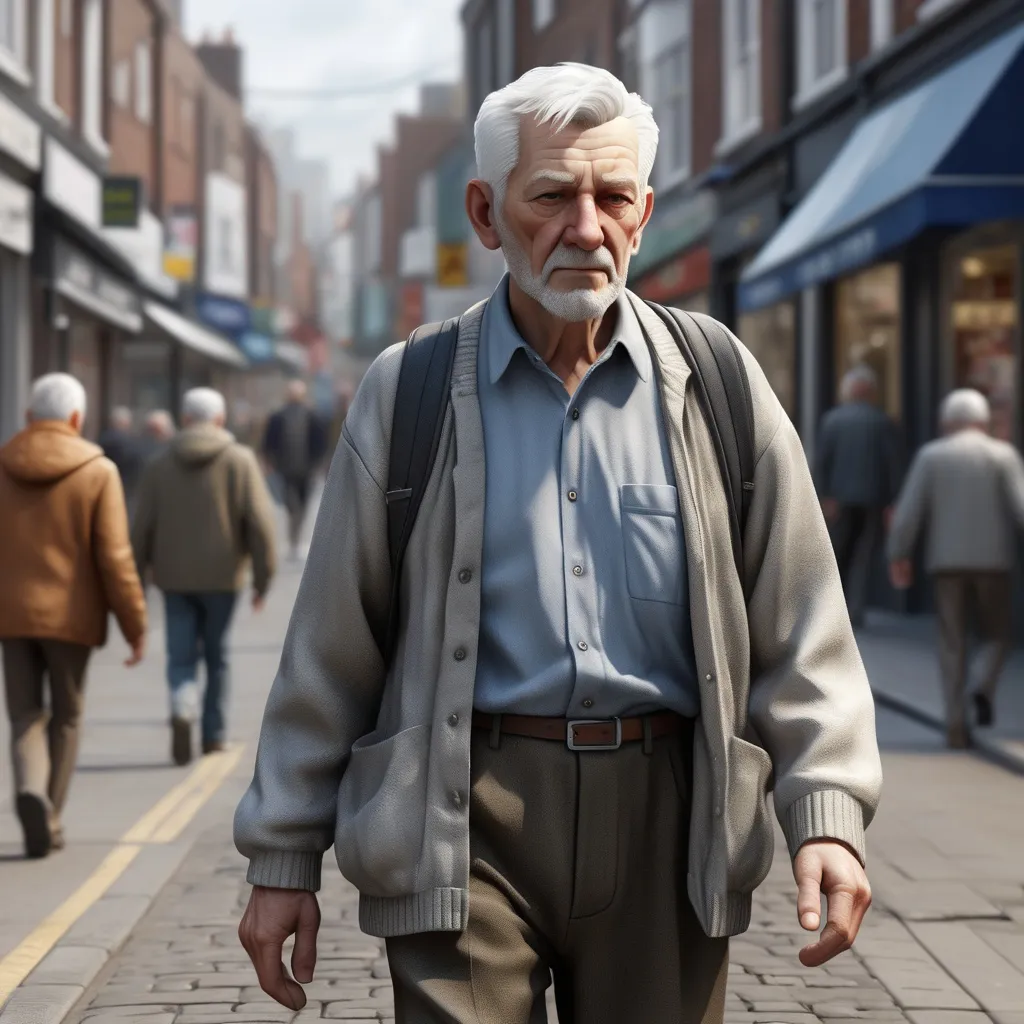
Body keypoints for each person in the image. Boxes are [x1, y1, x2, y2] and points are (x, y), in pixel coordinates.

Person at [234, 64, 881, 1023]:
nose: (586, 228)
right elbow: (333, 646)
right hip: (462, 815)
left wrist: (825, 813)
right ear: (487, 214)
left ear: (645, 211)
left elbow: (802, 622)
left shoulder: (718, 383)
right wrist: (284, 854)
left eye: (613, 197)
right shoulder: (406, 390)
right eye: (552, 197)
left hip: (669, 817)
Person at [0, 374, 147, 858]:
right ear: (77, 419)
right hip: (71, 617)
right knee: (66, 716)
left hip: (11, 614)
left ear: (28, 419)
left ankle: (30, 789)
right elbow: (116, 558)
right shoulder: (97, 472)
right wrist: (134, 626)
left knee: (24, 716)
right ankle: (51, 814)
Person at [132, 388, 277, 767]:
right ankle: (213, 735)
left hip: (173, 578)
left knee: (180, 656)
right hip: (224, 578)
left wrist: (136, 579)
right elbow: (261, 525)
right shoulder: (240, 460)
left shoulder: (159, 464)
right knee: (217, 656)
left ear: (183, 419)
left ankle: (182, 704)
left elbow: (140, 527)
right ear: (220, 419)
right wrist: (263, 579)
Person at [888, 388, 1024, 748]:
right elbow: (1021, 506)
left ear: (947, 422)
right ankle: (981, 684)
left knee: (951, 643)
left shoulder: (932, 456)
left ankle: (956, 726)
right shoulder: (1003, 455)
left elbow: (909, 512)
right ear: (984, 421)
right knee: (997, 636)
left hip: (946, 564)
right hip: (995, 563)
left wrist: (898, 554)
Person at [814, 365, 903, 627]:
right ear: (871, 392)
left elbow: (822, 463)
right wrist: (895, 501)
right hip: (874, 499)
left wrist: (824, 496)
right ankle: (856, 609)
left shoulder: (832, 420)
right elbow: (893, 464)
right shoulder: (882, 422)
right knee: (864, 556)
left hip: (839, 501)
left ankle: (833, 609)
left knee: (837, 553)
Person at [261, 380, 328, 559]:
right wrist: (269, 462)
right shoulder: (278, 416)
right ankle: (293, 538)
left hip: (306, 469)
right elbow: (269, 441)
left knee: (304, 504)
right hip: (285, 469)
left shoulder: (312, 416)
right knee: (292, 505)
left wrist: (318, 463)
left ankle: (295, 539)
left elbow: (321, 442)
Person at [98, 405, 145, 510]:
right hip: (126, 492)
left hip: (104, 490)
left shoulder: (102, 441)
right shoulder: (133, 444)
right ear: (126, 423)